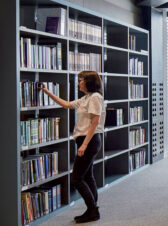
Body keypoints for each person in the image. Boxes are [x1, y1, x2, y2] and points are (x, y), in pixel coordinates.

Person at [41, 71, 105, 223]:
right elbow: (66, 104)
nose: (78, 83)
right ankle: (92, 208)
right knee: (87, 176)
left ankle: (93, 210)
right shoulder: (86, 98)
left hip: (89, 140)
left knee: (76, 178)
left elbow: (95, 122)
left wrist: (84, 144)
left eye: (81, 80)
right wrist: (47, 91)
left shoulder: (95, 97)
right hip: (85, 140)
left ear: (88, 82)